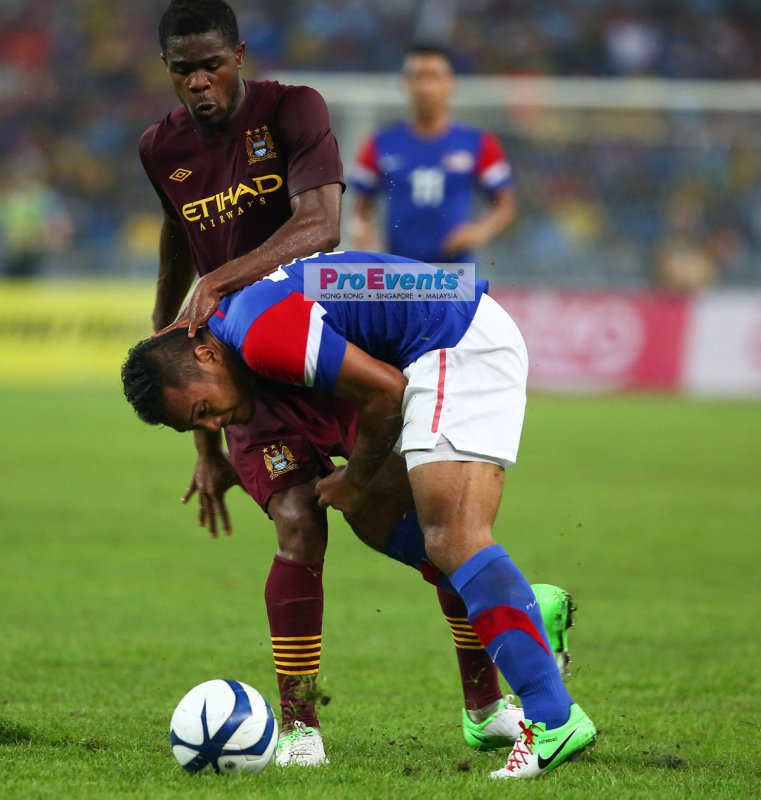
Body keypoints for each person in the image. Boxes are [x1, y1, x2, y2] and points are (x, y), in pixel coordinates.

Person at [138, 0, 571, 766]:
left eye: (211, 64)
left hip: (318, 344)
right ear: (168, 72)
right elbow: (178, 249)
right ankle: (300, 726)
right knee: (300, 520)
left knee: (416, 534)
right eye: (183, 71)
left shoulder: (292, 111)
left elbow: (322, 227)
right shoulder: (159, 149)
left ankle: (488, 695)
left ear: (237, 55)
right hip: (237, 363)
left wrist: (225, 285)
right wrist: (180, 365)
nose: (199, 83)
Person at [122, 251, 598, 779]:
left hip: (454, 339)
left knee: (454, 537)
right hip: (439, 329)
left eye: (201, 411)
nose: (210, 427)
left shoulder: (260, 333)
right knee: (426, 536)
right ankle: (525, 622)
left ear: (207, 357)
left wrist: (353, 478)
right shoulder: (241, 324)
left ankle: (551, 717)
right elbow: (355, 280)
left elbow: (387, 391)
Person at [350, 44, 516, 265]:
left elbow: (505, 204)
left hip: (455, 272)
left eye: (434, 76)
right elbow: (360, 208)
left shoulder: (478, 142)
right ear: (404, 83)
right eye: (417, 76)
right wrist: (361, 231)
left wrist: (479, 231)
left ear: (450, 83)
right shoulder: (380, 143)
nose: (426, 87)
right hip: (397, 271)